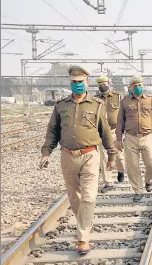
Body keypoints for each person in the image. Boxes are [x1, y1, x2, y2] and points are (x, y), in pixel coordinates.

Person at [40, 65, 116, 255]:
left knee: (89, 197)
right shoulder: (60, 106)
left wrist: (111, 155)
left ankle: (82, 238)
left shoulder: (97, 105)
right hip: (67, 156)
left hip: (90, 155)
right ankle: (85, 222)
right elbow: (52, 131)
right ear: (70, 83)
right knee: (75, 198)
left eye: (81, 82)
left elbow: (105, 132)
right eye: (74, 82)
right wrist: (46, 153)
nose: (77, 85)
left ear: (87, 82)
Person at [116, 75, 152, 202]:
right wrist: (118, 139)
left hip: (147, 137)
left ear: (143, 86)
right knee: (132, 166)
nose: (137, 87)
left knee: (151, 163)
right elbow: (120, 121)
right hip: (130, 138)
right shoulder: (125, 102)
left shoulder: (150, 100)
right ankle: (138, 190)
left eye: (139, 85)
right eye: (134, 85)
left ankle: (149, 180)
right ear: (130, 87)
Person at [94, 75, 125, 192]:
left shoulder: (118, 97)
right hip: (101, 132)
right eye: (100, 84)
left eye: (104, 83)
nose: (102, 86)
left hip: (115, 131)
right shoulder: (95, 99)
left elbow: (124, 113)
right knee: (104, 157)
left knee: (119, 157)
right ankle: (108, 183)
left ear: (109, 83)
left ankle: (121, 170)